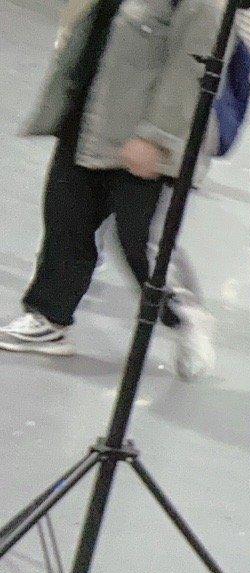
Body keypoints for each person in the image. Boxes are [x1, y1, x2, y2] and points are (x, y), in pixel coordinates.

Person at [2, 0, 218, 376]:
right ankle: (49, 317)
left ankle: (184, 316)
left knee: (138, 239)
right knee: (67, 219)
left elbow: (191, 68)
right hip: (90, 117)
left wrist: (157, 137)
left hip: (142, 136)